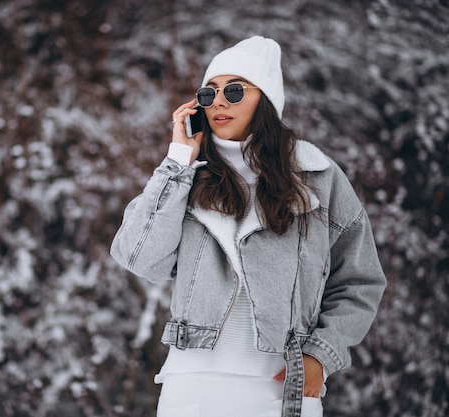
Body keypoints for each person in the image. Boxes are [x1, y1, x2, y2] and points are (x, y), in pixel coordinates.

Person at [110, 35, 386, 417]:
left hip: (281, 388)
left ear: (266, 101)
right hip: (191, 386)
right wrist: (177, 162)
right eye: (209, 94)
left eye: (235, 90)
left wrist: (321, 356)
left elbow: (359, 281)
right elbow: (140, 258)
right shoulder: (186, 178)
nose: (219, 101)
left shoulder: (318, 178)